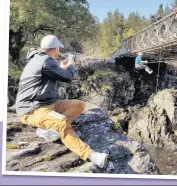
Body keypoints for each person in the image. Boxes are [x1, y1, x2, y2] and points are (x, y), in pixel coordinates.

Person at [15, 35, 108, 169]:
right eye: (58, 48)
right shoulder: (45, 61)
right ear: (56, 49)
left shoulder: (40, 59)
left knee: (79, 105)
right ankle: (91, 155)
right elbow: (68, 77)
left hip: (46, 104)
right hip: (31, 110)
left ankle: (55, 130)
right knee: (61, 123)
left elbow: (52, 73)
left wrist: (60, 68)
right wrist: (70, 66)